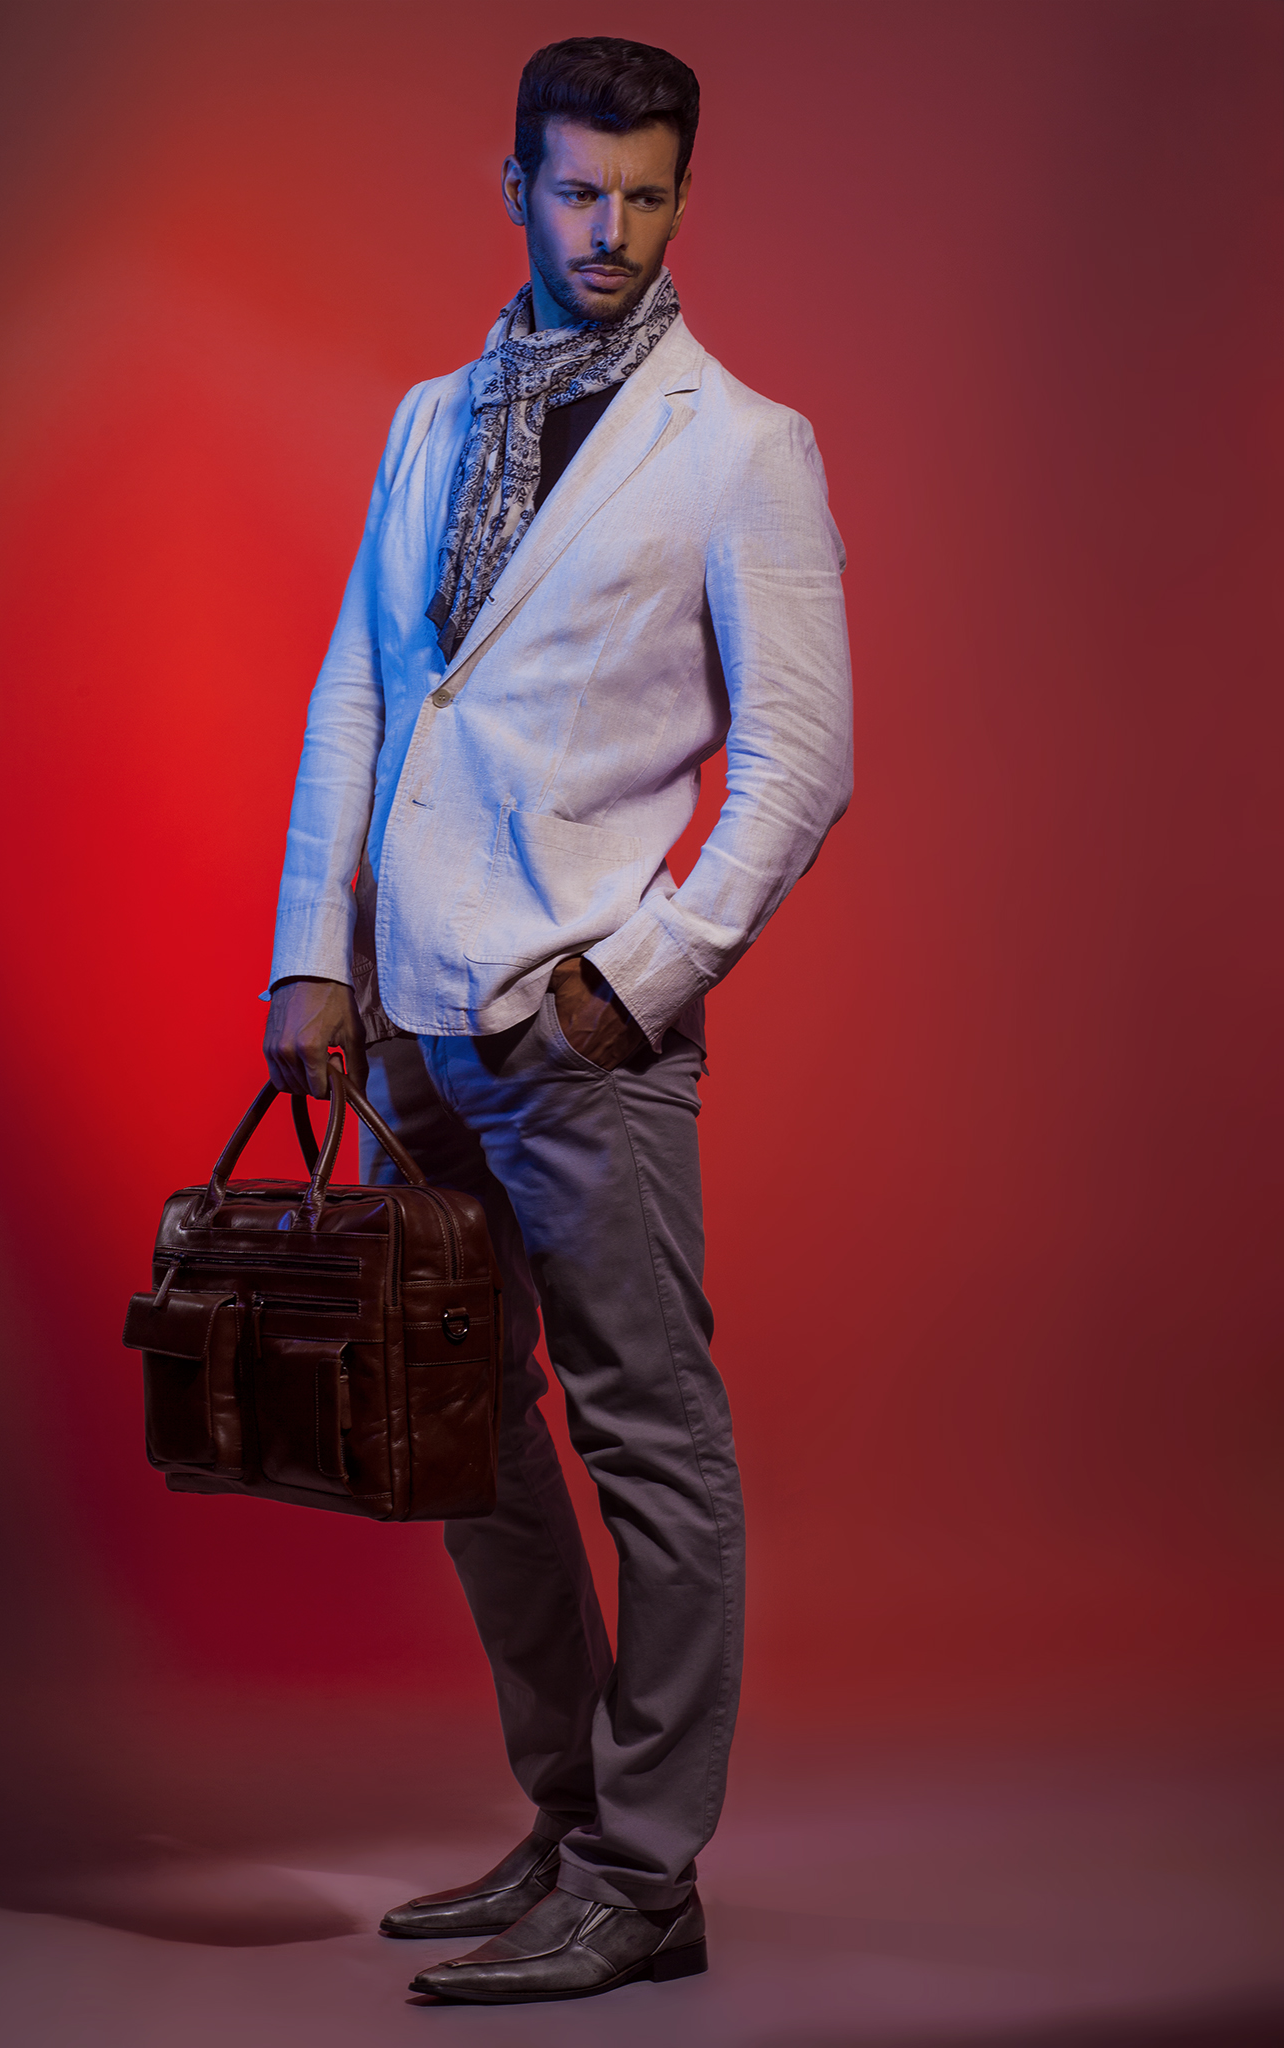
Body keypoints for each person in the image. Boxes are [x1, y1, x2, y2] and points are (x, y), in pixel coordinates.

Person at [262, 34, 852, 2006]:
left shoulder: (738, 445)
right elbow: (367, 684)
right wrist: (312, 957)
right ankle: (566, 1820)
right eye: (578, 190)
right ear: (511, 181)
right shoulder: (432, 418)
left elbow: (800, 756)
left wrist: (643, 976)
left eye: (645, 195)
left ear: (682, 193)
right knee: (464, 1435)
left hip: (580, 1025)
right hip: (412, 1020)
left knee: (648, 1442)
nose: (610, 231)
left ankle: (646, 1873)